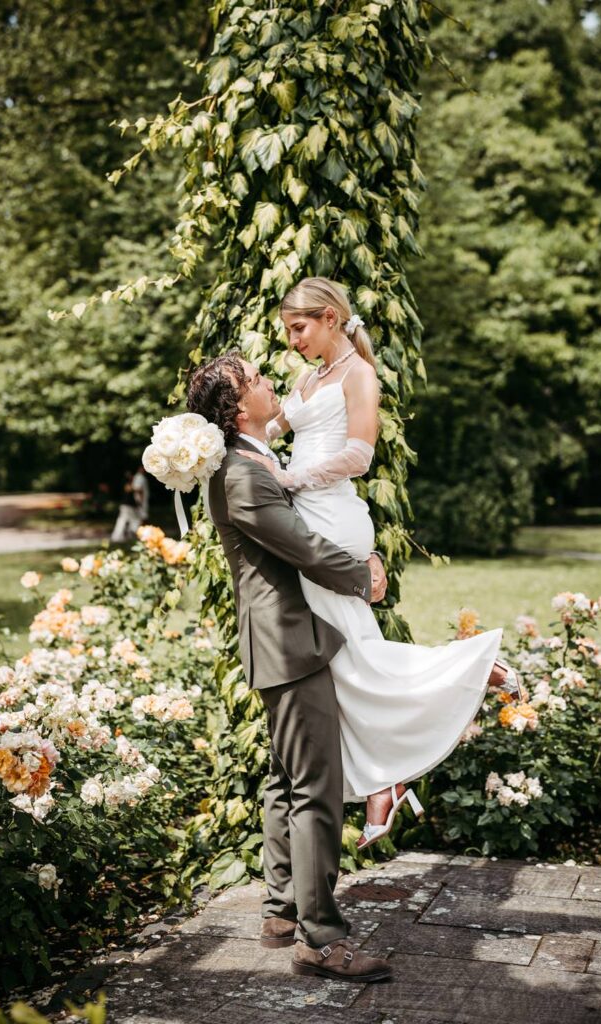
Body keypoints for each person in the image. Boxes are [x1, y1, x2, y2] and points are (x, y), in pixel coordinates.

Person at [233, 277, 522, 851]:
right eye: (288, 331)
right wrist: (209, 438)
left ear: (331, 318)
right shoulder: (307, 377)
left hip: (330, 513)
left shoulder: (360, 375)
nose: (292, 341)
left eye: (299, 328)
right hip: (308, 513)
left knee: (347, 653)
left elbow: (360, 455)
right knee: (345, 655)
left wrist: (289, 478)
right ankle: (385, 778)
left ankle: (471, 670)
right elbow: (264, 430)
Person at [187, 354, 394, 983]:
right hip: (289, 642)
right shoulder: (241, 474)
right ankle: (320, 939)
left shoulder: (250, 460)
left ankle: (281, 914)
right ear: (236, 410)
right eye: (254, 380)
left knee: (286, 779)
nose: (268, 381)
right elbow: (301, 548)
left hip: (284, 641)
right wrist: (362, 577)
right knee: (316, 789)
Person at [110, 466, 149, 543]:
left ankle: (119, 537)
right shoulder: (129, 483)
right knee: (133, 521)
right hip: (128, 506)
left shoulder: (128, 483)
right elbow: (136, 491)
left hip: (126, 505)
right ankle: (131, 535)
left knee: (124, 521)